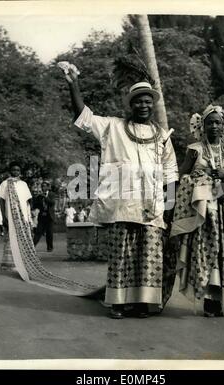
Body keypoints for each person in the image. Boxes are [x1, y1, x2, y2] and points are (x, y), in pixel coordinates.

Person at [59, 61, 178, 319]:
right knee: (121, 256)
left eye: (147, 101)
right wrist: (74, 85)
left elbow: (170, 174)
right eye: (138, 101)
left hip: (153, 207)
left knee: (148, 258)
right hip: (121, 205)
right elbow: (84, 117)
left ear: (152, 104)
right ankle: (118, 303)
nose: (143, 106)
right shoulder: (112, 127)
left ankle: (143, 303)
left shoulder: (161, 136)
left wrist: (169, 207)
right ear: (130, 104)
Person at [171, 105, 224, 317]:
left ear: (223, 124)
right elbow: (181, 176)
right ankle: (208, 302)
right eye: (209, 122)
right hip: (204, 212)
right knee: (207, 252)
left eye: (217, 122)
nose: (214, 126)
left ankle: (221, 300)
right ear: (202, 125)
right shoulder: (195, 149)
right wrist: (201, 175)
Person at [0, 162, 33, 269]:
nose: (15, 172)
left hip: (23, 216)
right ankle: (10, 263)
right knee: (11, 237)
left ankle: (23, 262)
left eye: (17, 170)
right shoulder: (5, 184)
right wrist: (4, 217)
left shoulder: (23, 184)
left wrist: (28, 217)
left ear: (20, 172)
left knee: (23, 238)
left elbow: (27, 202)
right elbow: (2, 202)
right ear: (10, 171)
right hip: (10, 216)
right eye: (13, 170)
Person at [33, 181, 56, 252]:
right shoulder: (39, 196)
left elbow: (52, 203)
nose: (43, 187)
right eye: (42, 186)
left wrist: (45, 197)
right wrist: (35, 198)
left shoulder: (52, 194)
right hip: (42, 216)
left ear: (48, 187)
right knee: (38, 232)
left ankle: (50, 247)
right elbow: (35, 206)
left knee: (49, 233)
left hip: (49, 217)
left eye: (44, 186)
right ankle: (32, 246)